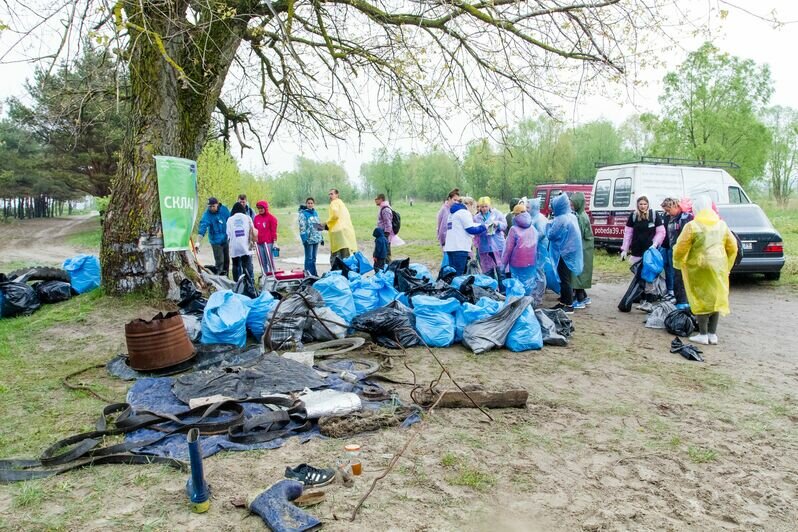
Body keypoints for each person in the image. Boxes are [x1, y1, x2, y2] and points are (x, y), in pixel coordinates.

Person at [672, 195, 738, 345]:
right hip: (718, 266)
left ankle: (702, 334)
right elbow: (733, 246)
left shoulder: (692, 226)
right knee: (716, 297)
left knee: (700, 297)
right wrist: (727, 265)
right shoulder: (721, 225)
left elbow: (680, 248)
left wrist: (678, 262)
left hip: (698, 267)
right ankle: (712, 334)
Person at [620, 195, 665, 312]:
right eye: (641, 204)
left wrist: (655, 244)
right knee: (640, 278)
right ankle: (643, 300)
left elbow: (661, 232)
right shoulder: (634, 216)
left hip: (650, 253)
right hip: (637, 251)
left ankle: (649, 302)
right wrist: (624, 249)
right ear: (637, 205)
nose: (643, 206)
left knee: (649, 278)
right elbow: (628, 234)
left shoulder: (654, 215)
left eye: (645, 204)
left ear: (648, 204)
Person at [547, 193, 583, 314]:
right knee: (565, 278)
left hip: (562, 252)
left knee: (564, 279)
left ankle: (568, 304)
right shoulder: (571, 216)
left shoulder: (561, 218)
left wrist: (548, 225)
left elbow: (551, 235)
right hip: (570, 252)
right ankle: (563, 301)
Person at [661, 197, 693, 308]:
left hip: (682, 252)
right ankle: (678, 298)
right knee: (675, 275)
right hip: (673, 249)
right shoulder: (673, 218)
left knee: (680, 276)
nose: (667, 213)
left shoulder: (684, 218)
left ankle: (684, 301)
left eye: (668, 210)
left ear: (675, 206)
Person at [501, 203, 538, 295]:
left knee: (518, 286)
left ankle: (519, 305)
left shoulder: (514, 229)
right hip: (531, 262)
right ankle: (528, 304)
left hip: (517, 263)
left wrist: (503, 265)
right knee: (529, 284)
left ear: (516, 215)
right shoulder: (533, 227)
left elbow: (508, 249)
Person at [444, 197, 486, 275]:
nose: (475, 210)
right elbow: (471, 229)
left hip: (451, 247)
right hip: (459, 247)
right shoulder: (464, 212)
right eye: (474, 207)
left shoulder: (453, 213)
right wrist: (484, 227)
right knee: (458, 274)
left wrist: (481, 225)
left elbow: (465, 226)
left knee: (452, 274)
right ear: (470, 205)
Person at [473, 197, 507, 284]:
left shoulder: (497, 213)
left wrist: (497, 224)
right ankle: (492, 292)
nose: (484, 209)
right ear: (479, 207)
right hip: (485, 248)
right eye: (482, 206)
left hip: (498, 246)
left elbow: (504, 225)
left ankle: (503, 292)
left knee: (501, 271)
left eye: (486, 206)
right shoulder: (476, 218)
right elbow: (474, 230)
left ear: (490, 205)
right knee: (488, 272)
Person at [571, 192, 594, 309]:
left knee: (578, 274)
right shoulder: (582, 215)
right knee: (582, 273)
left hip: (582, 249)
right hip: (586, 248)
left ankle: (578, 299)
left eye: (573, 204)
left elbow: (578, 235)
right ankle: (583, 296)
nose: (571, 206)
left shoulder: (580, 217)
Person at [197, 197, 230, 277]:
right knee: (220, 261)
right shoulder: (207, 215)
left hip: (225, 239)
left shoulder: (224, 210)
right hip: (216, 242)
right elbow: (202, 228)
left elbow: (230, 220)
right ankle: (220, 278)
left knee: (227, 261)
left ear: (217, 204)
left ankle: (226, 278)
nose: (211, 208)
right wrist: (198, 242)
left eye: (213, 206)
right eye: (209, 206)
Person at [226, 202, 256, 282]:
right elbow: (252, 230)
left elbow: (228, 234)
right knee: (247, 264)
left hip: (235, 246)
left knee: (235, 265)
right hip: (245, 245)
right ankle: (249, 282)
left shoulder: (230, 220)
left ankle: (237, 283)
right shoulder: (247, 218)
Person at [527, 198, 549, 307]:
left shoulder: (540, 219)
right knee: (536, 272)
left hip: (540, 248)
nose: (526, 209)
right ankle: (535, 295)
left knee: (540, 272)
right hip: (535, 248)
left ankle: (538, 297)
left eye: (528, 207)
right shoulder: (534, 217)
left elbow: (542, 233)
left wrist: (530, 240)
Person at [325, 188, 357, 261]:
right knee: (345, 256)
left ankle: (335, 271)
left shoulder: (334, 203)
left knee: (335, 256)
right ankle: (346, 271)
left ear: (337, 194)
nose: (330, 196)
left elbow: (335, 215)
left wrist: (327, 223)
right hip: (346, 232)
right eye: (329, 194)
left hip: (337, 233)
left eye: (332, 194)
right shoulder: (341, 203)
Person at [298, 197, 324, 276]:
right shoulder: (303, 214)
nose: (310, 204)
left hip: (316, 239)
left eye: (311, 203)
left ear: (313, 204)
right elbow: (302, 227)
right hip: (308, 239)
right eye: (308, 203)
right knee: (309, 258)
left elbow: (318, 225)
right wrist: (304, 239)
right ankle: (308, 275)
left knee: (313, 258)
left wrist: (321, 237)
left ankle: (314, 274)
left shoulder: (315, 213)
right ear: (306, 204)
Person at [253, 200, 278, 275]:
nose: (260, 210)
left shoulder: (271, 218)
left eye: (261, 208)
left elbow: (274, 231)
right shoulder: (256, 218)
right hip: (259, 243)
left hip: (268, 243)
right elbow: (254, 230)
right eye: (259, 208)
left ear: (265, 208)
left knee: (270, 261)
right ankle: (265, 277)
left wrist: (275, 241)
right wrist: (253, 241)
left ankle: (273, 276)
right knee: (262, 262)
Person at [375, 193, 394, 262]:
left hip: (385, 234)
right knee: (383, 253)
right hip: (382, 234)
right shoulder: (382, 208)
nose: (375, 201)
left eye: (376, 199)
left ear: (381, 199)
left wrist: (386, 235)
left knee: (386, 254)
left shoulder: (385, 209)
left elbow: (388, 223)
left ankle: (389, 269)